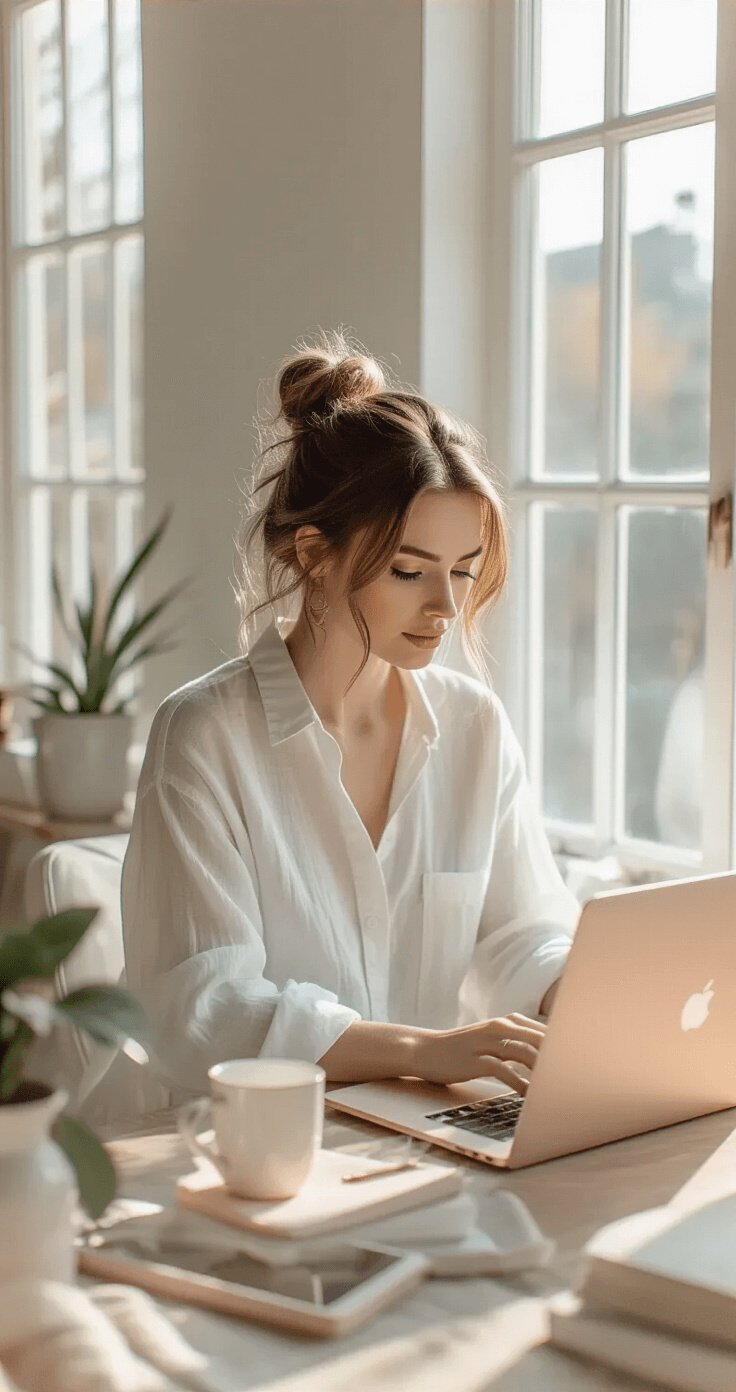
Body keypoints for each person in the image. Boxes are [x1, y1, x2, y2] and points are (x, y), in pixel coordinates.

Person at [122, 331, 580, 1100]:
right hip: (256, 1145)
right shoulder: (203, 737)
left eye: (464, 572)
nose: (446, 608)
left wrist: (583, 999)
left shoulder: (473, 727)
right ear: (312, 553)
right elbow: (203, 1008)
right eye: (409, 571)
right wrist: (426, 1051)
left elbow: (522, 930)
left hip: (425, 1139)